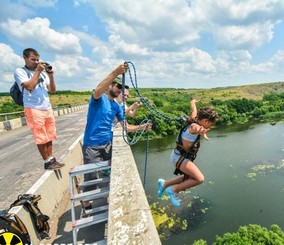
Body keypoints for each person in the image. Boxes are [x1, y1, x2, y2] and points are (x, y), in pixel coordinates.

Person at [81, 63, 151, 210]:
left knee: (111, 171)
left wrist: (141, 127)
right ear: (109, 86)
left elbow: (125, 126)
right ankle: (86, 201)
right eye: (116, 85)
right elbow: (99, 88)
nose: (119, 88)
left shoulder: (116, 106)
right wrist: (116, 72)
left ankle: (109, 195)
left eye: (121, 87)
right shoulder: (98, 100)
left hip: (107, 144)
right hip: (92, 145)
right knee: (92, 176)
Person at [157, 99, 219, 207]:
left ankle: (165, 184)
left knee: (191, 177)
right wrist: (201, 131)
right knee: (200, 179)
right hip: (180, 158)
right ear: (205, 121)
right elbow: (195, 128)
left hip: (178, 155)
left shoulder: (194, 119)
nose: (210, 126)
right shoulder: (194, 126)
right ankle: (174, 190)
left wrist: (193, 102)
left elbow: (194, 110)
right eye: (211, 124)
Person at [14, 48, 64, 170]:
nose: (36, 62)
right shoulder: (20, 72)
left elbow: (52, 90)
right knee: (41, 136)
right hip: (33, 108)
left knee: (49, 135)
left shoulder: (42, 73)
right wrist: (37, 71)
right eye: (33, 60)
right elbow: (30, 87)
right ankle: (47, 162)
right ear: (25, 58)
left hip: (46, 107)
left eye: (37, 60)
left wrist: (51, 76)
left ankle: (51, 159)